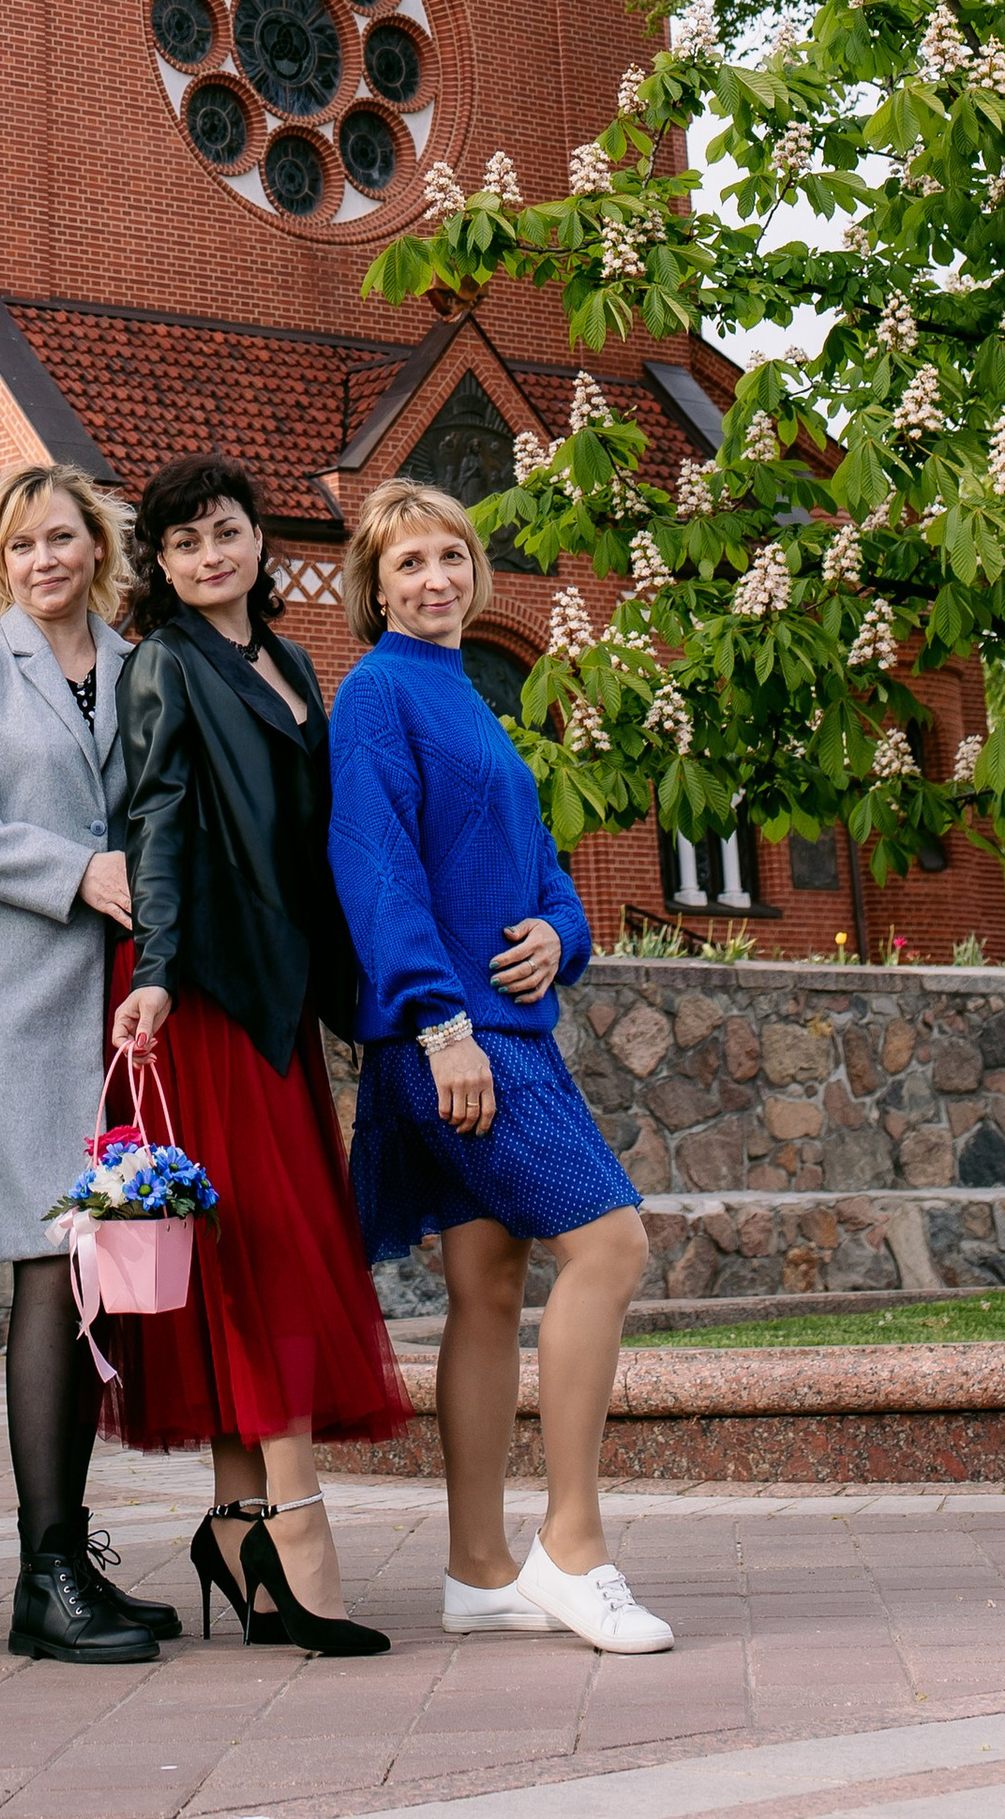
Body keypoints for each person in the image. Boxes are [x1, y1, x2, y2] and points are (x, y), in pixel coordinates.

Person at [328, 476, 672, 1656]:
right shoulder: (375, 696)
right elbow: (376, 872)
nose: (434, 580)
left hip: (506, 1026)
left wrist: (560, 936)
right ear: (374, 587)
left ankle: (478, 1568)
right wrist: (439, 1023)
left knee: (486, 1289)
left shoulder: (472, 692)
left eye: (450, 559)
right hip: (457, 1042)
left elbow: (543, 867)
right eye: (408, 564)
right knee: (610, 1244)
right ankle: (572, 1548)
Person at [109, 452, 407, 1661]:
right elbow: (158, 824)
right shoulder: (164, 666)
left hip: (283, 994)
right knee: (264, 1264)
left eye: (224, 532)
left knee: (255, 1259)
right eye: (183, 544)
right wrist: (158, 971)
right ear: (164, 568)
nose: (208, 556)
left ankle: (234, 1528)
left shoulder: (287, 664)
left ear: (256, 542)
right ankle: (301, 1539)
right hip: (211, 996)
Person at [0, 462, 177, 1666]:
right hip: (7, 990)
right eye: (20, 545)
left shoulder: (135, 665)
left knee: (94, 1268)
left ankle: (70, 1554)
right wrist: (73, 871)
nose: (41, 561)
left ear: (96, 548)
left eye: (60, 538)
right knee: (43, 1259)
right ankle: (42, 1577)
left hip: (109, 998)